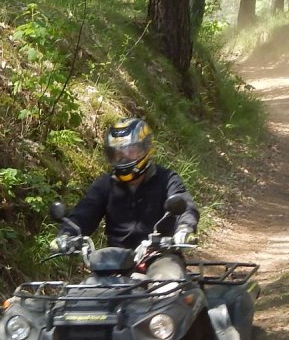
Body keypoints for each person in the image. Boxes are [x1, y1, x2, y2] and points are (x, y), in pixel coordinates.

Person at [51, 117, 199, 281]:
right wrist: (67, 234)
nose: (123, 158)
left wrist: (184, 228)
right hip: (114, 260)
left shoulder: (167, 179)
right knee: (87, 295)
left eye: (130, 151)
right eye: (117, 154)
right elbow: (84, 214)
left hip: (160, 255)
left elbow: (185, 207)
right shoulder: (105, 185)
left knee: (168, 285)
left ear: (146, 149)